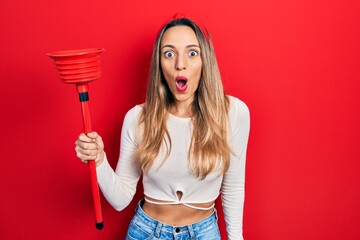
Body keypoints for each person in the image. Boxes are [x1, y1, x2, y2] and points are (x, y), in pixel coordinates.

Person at [75, 17, 250, 240]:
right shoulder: (138, 118)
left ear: (205, 60)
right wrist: (98, 160)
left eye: (192, 53)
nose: (180, 63)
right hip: (146, 232)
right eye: (169, 53)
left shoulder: (233, 113)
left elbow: (233, 187)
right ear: (160, 65)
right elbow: (120, 201)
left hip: (204, 233)